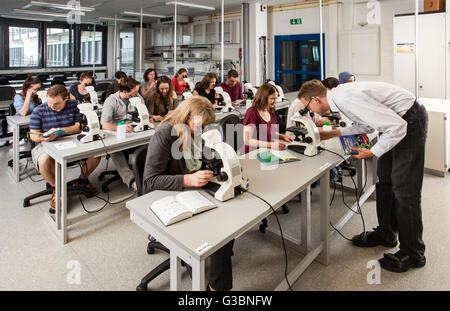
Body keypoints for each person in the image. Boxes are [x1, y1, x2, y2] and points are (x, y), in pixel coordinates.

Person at [297, 79, 428, 273]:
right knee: (385, 181)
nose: (311, 112)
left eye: (308, 107)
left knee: (405, 190)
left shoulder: (346, 99)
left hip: (409, 121)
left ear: (316, 99)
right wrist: (335, 133)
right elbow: (367, 126)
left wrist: (373, 151)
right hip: (395, 124)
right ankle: (386, 233)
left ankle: (414, 252)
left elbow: (397, 126)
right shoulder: (339, 98)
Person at [142, 95, 234, 291]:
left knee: (230, 220)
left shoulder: (194, 133)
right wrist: (187, 179)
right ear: (186, 117)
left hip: (191, 192)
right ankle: (217, 287)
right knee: (222, 226)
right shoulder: (165, 134)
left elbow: (202, 158)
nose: (203, 131)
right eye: (200, 126)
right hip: (166, 197)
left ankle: (217, 275)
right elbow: (149, 182)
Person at [29, 85, 100, 214]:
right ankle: (57, 189)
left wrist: (61, 131)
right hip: (46, 143)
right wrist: (43, 138)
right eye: (49, 103)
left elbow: (80, 126)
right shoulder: (39, 110)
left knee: (97, 153)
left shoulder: (74, 105)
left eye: (56, 104)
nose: (52, 106)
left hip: (70, 141)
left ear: (66, 99)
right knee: (44, 160)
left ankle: (82, 180)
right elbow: (33, 135)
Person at [101, 77, 148, 190]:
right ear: (124, 92)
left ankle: (148, 175)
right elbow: (104, 124)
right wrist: (119, 128)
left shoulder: (137, 97)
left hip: (134, 132)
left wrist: (149, 118)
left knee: (150, 144)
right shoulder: (111, 100)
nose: (137, 94)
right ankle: (132, 181)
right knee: (115, 150)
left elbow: (144, 113)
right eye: (134, 92)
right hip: (116, 133)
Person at [243, 83, 294, 154]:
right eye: (272, 99)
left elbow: (269, 130)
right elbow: (247, 140)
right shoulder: (252, 113)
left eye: (276, 98)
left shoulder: (271, 110)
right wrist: (272, 145)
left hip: (267, 151)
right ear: (263, 98)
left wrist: (282, 136)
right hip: (252, 153)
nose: (275, 102)